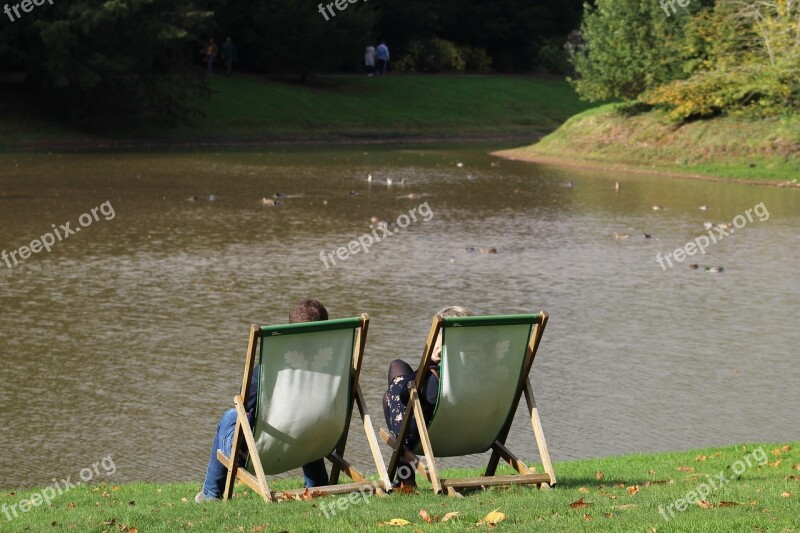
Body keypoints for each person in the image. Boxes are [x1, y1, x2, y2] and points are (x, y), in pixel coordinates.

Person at [196, 299, 331, 503]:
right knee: (309, 418)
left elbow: (246, 407)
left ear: (290, 332)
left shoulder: (268, 374)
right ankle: (318, 484)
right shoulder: (337, 370)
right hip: (317, 442)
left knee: (232, 416)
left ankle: (211, 494)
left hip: (266, 452)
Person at [382, 305, 474, 487]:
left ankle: (405, 478)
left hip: (437, 433)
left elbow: (403, 396)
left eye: (437, 336)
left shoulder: (436, 377)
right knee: (398, 365)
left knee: (390, 396)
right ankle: (404, 477)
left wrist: (430, 362)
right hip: (475, 430)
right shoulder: (477, 370)